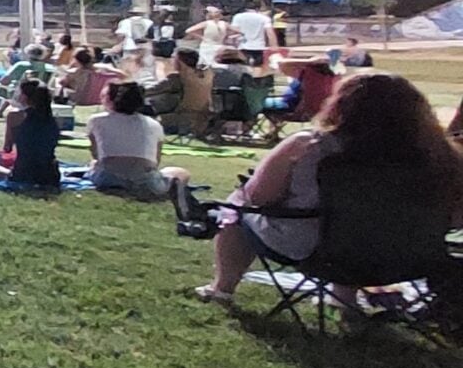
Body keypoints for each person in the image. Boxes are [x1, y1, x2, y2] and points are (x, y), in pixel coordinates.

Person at [195, 73, 463, 306]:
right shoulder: (441, 156)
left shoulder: (311, 146)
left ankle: (222, 288)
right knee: (354, 224)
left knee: (238, 204)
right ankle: (344, 299)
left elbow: (257, 197)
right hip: (411, 256)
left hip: (322, 252)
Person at [84, 82, 191, 201]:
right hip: (146, 181)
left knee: (94, 164)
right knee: (181, 172)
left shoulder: (96, 120)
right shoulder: (154, 124)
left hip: (108, 178)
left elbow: (96, 155)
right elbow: (155, 161)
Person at [0, 79, 62, 188]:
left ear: (25, 96)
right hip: (50, 174)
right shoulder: (54, 120)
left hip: (24, 173)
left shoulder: (15, 116)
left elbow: (7, 148)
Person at [230, 0, 275, 67]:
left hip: (243, 46)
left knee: (244, 68)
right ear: (258, 8)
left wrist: (232, 44)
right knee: (258, 67)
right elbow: (270, 33)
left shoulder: (237, 17)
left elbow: (233, 31)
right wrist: (274, 46)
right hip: (259, 46)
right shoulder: (264, 18)